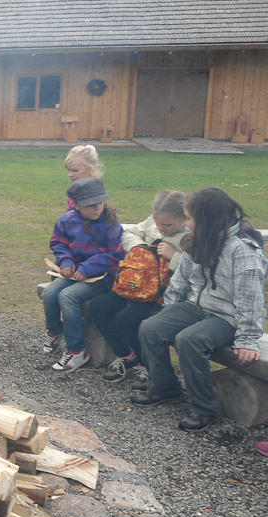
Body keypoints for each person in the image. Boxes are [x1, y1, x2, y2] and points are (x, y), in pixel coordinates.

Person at [132, 187, 268, 432]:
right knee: (151, 328)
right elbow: (182, 280)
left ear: (205, 219)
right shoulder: (197, 238)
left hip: (228, 317)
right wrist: (169, 311)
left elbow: (251, 300)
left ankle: (206, 407)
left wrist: (247, 339)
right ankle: (165, 389)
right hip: (196, 306)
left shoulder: (243, 250)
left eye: (189, 217)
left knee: (189, 340)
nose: (186, 223)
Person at [90, 190, 188, 386]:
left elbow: (198, 266)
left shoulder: (191, 235)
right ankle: (127, 356)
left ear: (185, 218)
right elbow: (130, 233)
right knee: (99, 306)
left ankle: (148, 367)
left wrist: (174, 257)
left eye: (167, 225)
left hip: (163, 295)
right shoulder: (154, 221)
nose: (160, 228)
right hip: (136, 284)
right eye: (157, 222)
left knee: (128, 319)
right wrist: (141, 247)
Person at [42, 177, 124, 372]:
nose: (97, 208)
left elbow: (115, 255)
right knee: (50, 292)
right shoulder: (67, 221)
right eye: (90, 205)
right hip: (73, 274)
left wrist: (87, 268)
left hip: (102, 278)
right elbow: (58, 243)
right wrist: (66, 261)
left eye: (100, 202)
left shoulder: (111, 224)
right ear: (77, 205)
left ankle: (77, 350)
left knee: (67, 296)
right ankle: (55, 331)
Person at [64, 145, 103, 210]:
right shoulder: (78, 187)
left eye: (75, 170)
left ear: (89, 169)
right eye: (69, 170)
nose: (70, 174)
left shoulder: (94, 191)